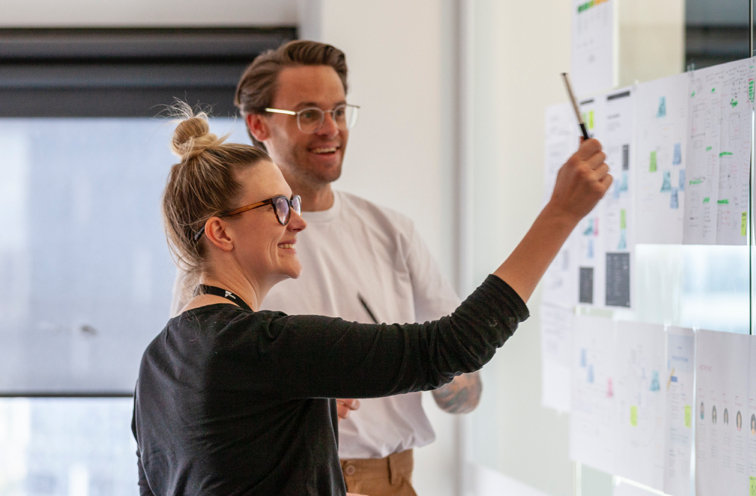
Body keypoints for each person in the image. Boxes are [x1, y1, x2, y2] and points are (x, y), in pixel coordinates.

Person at [133, 105, 610, 495]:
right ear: (220, 232)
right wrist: (561, 214)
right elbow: (451, 347)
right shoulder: (263, 346)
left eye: (293, 204)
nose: (296, 222)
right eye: (279, 206)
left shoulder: (156, 364)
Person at [171, 39, 478, 495]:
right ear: (258, 124)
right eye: (308, 114)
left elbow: (465, 392)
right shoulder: (225, 261)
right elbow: (194, 401)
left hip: (393, 482)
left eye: (338, 111)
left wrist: (424, 362)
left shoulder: (393, 232)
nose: (330, 128)